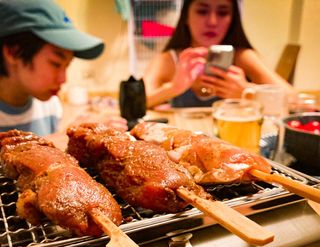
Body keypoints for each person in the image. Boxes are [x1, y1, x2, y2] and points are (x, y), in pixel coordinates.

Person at [0, 0, 127, 147]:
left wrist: (75, 135)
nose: (63, 79)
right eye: (55, 64)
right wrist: (62, 137)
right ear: (13, 52)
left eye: (67, 66)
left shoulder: (49, 105)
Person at [143, 0, 295, 109]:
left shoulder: (241, 56)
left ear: (232, 20)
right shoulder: (170, 59)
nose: (212, 21)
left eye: (223, 12)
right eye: (202, 11)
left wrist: (247, 92)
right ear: (186, 17)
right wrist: (174, 88)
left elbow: (297, 101)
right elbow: (134, 103)